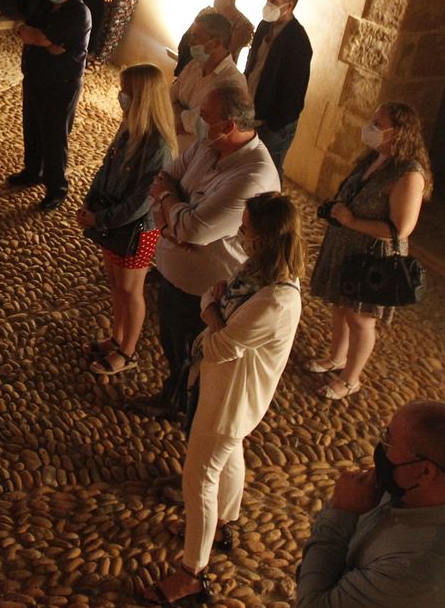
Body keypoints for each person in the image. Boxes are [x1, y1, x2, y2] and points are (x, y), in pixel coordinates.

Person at [145, 192, 304, 606]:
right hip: (224, 391)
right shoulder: (258, 274)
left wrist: (211, 310)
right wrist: (214, 307)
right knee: (229, 456)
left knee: (199, 480)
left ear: (265, 237)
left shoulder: (274, 299)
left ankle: (191, 574)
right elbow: (217, 301)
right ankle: (223, 524)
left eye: (246, 226)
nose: (240, 231)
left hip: (229, 400)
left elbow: (221, 343)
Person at [135, 83, 279, 420]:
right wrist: (173, 220)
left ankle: (190, 409)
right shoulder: (207, 145)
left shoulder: (253, 177)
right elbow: (164, 177)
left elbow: (195, 230)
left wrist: (173, 210)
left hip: (204, 289)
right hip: (176, 271)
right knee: (173, 345)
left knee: (192, 351)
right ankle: (175, 393)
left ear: (229, 126)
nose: (197, 123)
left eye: (205, 118)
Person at [295, 400, 445, 608]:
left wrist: (340, 514)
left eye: (388, 439)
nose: (381, 447)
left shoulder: (420, 568)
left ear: (424, 471)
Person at [305, 102, 433, 401]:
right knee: (339, 304)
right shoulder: (375, 158)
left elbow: (400, 229)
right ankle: (336, 357)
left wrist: (352, 220)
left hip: (372, 257)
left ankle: (351, 378)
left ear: (399, 132)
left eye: (378, 124)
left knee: (360, 318)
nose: (371, 128)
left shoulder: (408, 174)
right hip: (347, 245)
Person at [80, 63, 177, 376]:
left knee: (130, 290)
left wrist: (102, 218)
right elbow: (106, 168)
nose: (121, 96)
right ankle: (116, 337)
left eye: (127, 92)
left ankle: (128, 350)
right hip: (113, 222)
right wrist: (91, 205)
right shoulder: (129, 129)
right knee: (116, 285)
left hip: (135, 229)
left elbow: (142, 200)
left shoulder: (158, 146)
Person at [7, 0, 91, 211]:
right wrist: (42, 40)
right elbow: (27, 30)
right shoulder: (47, 1)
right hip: (35, 75)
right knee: (32, 125)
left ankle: (57, 188)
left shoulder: (78, 13)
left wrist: (41, 38)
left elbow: (41, 37)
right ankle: (33, 171)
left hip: (61, 83)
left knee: (54, 136)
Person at [244, 0, 311, 176]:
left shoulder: (298, 41)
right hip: (252, 112)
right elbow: (254, 64)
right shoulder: (265, 26)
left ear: (288, 6)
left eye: (273, 1)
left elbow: (293, 91)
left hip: (274, 124)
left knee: (269, 171)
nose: (268, 5)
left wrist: (273, 124)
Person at [170, 11, 249, 151]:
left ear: (216, 43)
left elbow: (202, 123)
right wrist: (183, 114)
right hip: (173, 144)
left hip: (196, 155)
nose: (190, 42)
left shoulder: (232, 82)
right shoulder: (194, 65)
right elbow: (170, 97)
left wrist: (178, 112)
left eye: (196, 37)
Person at [175, 0, 254, 76]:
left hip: (217, 75)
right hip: (190, 71)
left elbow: (225, 54)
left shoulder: (243, 25)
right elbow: (187, 41)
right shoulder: (205, 12)